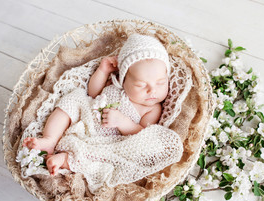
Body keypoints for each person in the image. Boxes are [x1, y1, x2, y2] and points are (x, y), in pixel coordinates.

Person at [22, 33, 171, 176]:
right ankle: (50, 139)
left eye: (161, 83)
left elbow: (143, 137)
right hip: (85, 117)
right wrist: (103, 70)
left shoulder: (152, 108)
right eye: (140, 85)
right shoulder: (115, 85)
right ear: (123, 79)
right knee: (73, 98)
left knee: (103, 156)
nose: (152, 91)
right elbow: (93, 93)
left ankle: (64, 159)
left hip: (107, 140)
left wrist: (122, 122)